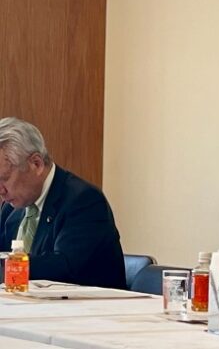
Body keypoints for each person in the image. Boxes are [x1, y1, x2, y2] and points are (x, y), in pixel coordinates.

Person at [0, 117, 126, 289]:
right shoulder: (11, 209)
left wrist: (7, 266)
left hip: (87, 305)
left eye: (4, 178)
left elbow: (64, 268)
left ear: (36, 164)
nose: (1, 190)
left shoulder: (84, 200)